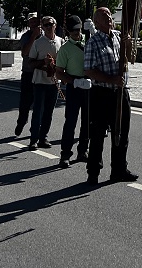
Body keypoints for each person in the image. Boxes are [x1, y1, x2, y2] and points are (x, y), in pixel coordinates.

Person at [83, 7, 138, 186]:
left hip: (120, 93)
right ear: (97, 22)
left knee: (121, 133)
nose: (108, 17)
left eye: (109, 15)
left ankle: (119, 169)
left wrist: (128, 45)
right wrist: (111, 79)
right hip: (102, 94)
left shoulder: (118, 37)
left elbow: (130, 59)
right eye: (104, 16)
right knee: (98, 134)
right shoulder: (93, 42)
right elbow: (89, 70)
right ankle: (93, 172)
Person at [55, 15, 90, 168]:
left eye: (79, 29)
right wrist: (74, 81)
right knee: (70, 121)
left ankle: (83, 151)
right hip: (74, 85)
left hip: (89, 84)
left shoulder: (89, 43)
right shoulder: (65, 49)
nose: (77, 33)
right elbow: (59, 72)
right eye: (74, 30)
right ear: (68, 31)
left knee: (87, 121)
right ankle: (65, 154)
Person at [27, 16, 62, 148]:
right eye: (46, 25)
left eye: (50, 24)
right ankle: (33, 139)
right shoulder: (38, 42)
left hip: (53, 83)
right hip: (39, 82)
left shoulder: (60, 41)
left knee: (49, 112)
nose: (48, 27)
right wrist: (43, 62)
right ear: (42, 27)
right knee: (38, 111)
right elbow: (30, 63)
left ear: (55, 25)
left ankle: (43, 138)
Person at [14, 14, 42, 136]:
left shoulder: (45, 36)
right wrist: (34, 36)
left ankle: (35, 129)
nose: (33, 23)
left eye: (35, 21)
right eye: (31, 21)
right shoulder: (26, 36)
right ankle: (21, 121)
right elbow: (25, 52)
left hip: (41, 73)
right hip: (28, 73)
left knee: (39, 104)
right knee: (25, 101)